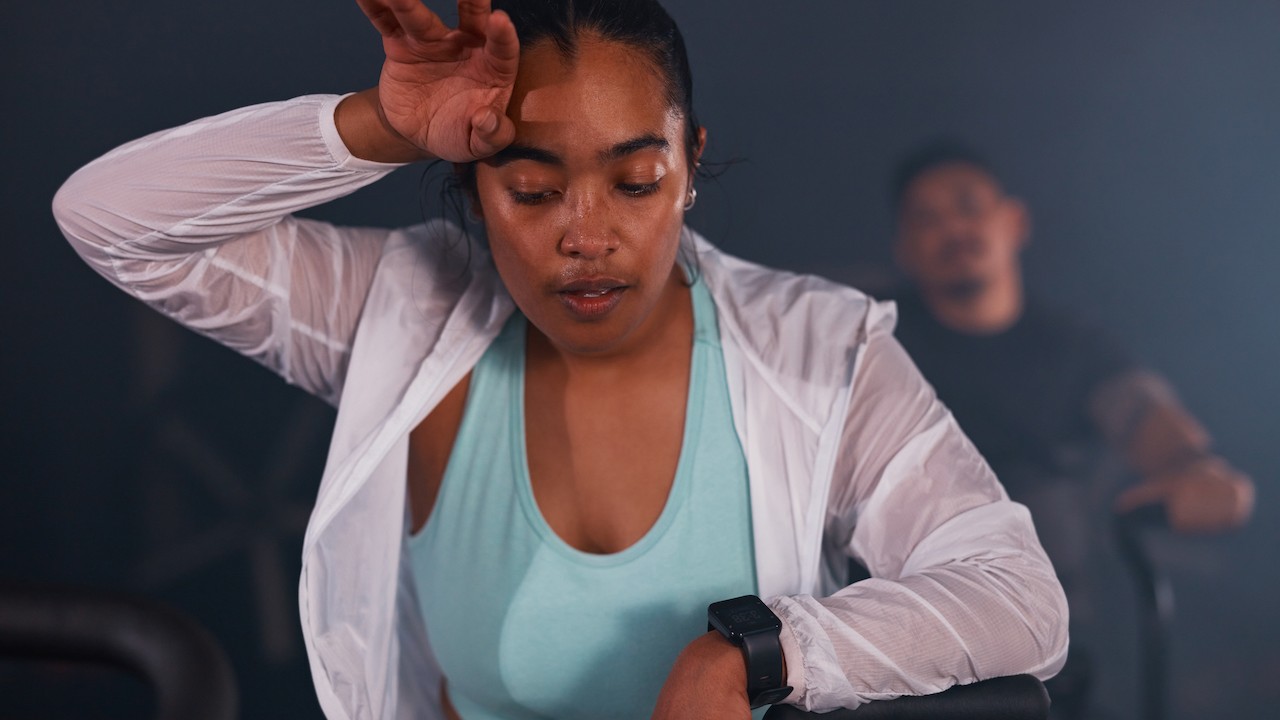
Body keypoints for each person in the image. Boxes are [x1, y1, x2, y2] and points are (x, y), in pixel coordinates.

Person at [52, 2, 1069, 718]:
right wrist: (379, 128)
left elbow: (1019, 600)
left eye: (634, 181)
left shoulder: (817, 348)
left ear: (688, 167)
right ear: (473, 184)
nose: (586, 235)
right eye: (532, 192)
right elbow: (110, 222)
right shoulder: (400, 318)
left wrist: (762, 653)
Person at [887, 141, 1255, 717]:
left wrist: (1195, 469)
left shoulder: (1076, 347)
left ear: (1015, 222)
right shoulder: (877, 342)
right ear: (905, 248)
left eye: (967, 206)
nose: (953, 228)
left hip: (1055, 644)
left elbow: (1143, 413)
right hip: (907, 641)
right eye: (927, 219)